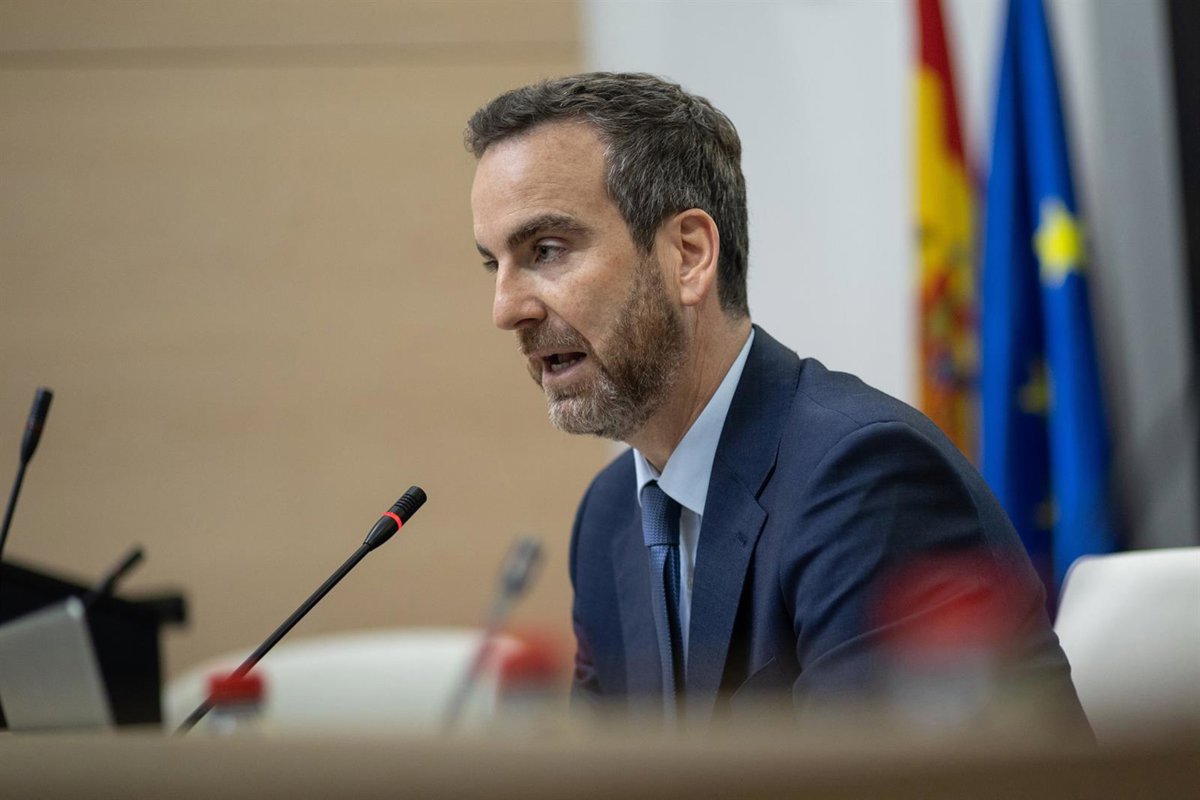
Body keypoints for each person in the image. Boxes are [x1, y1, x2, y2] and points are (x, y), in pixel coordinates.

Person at [465, 72, 1088, 729]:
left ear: (689, 255)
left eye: (546, 250)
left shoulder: (864, 479)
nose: (506, 309)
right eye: (494, 264)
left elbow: (885, 776)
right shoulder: (610, 517)